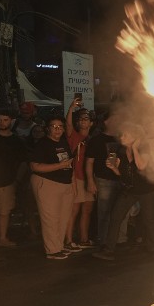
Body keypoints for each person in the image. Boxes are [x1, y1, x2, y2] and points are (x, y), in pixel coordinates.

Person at [92, 123, 154, 261]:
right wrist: (113, 168)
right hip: (129, 189)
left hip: (145, 190)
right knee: (115, 216)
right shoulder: (120, 151)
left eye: (125, 135)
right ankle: (109, 250)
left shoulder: (143, 149)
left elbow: (141, 166)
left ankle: (153, 249)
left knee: (149, 219)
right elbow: (121, 174)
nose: (121, 137)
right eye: (121, 134)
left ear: (135, 137)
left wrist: (134, 148)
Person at [29, 116, 76, 260]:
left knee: (63, 217)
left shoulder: (63, 142)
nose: (57, 129)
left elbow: (70, 164)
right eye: (54, 126)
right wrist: (60, 166)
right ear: (48, 128)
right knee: (50, 218)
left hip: (65, 184)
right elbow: (35, 166)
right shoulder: (42, 144)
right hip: (47, 183)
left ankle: (58, 246)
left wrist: (73, 185)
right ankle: (52, 250)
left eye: (60, 126)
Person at [85, 111, 122, 245]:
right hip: (104, 180)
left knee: (120, 211)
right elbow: (89, 162)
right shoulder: (97, 140)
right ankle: (104, 239)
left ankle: (120, 239)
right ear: (106, 122)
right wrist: (90, 181)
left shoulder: (123, 139)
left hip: (121, 179)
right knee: (104, 211)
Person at [64, 101, 96, 249]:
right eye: (80, 118)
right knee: (74, 210)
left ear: (91, 123)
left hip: (90, 179)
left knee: (87, 210)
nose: (83, 121)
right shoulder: (73, 136)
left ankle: (84, 238)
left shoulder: (93, 139)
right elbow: (68, 125)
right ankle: (69, 240)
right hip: (76, 177)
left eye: (86, 118)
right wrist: (71, 108)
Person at [0, 109, 25, 247]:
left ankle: (2, 238)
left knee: (4, 211)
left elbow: (23, 162)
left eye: (5, 120)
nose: (2, 123)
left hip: (7, 181)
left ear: (11, 121)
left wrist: (17, 180)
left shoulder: (16, 140)